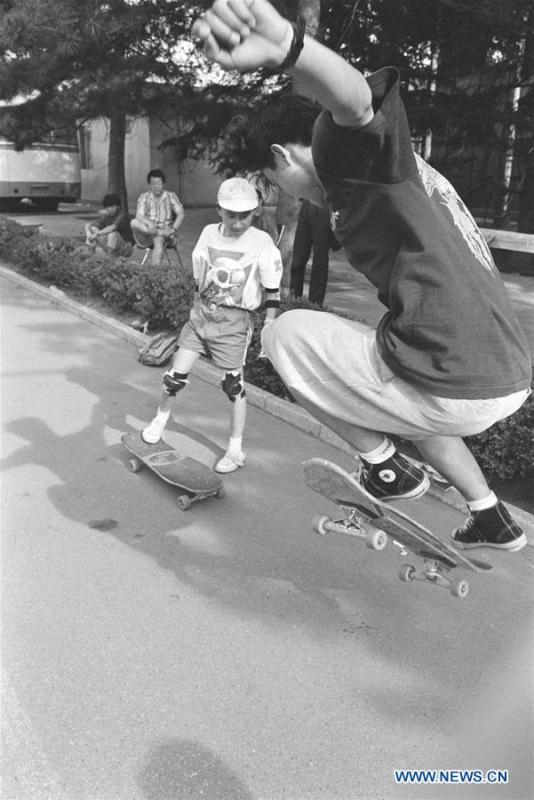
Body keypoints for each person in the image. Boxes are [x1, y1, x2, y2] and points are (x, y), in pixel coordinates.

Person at [192, 0, 532, 549]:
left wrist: (289, 49)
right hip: (500, 373)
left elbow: (353, 101)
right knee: (412, 408)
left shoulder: (345, 158)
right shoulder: (411, 176)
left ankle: (384, 466)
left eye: (272, 181)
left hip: (458, 373)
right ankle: (491, 515)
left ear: (282, 155)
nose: (283, 194)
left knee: (282, 333)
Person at [142, 176, 283, 473]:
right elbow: (199, 276)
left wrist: (269, 325)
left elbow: (272, 290)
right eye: (231, 214)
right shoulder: (208, 233)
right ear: (219, 210)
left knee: (234, 387)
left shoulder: (262, 242)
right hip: (201, 315)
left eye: (244, 215)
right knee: (173, 378)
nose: (238, 222)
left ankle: (235, 450)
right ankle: (159, 421)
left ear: (254, 212)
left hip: (233, 322)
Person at [131, 168, 184, 266]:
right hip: (147, 233)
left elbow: (181, 213)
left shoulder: (170, 196)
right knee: (134, 222)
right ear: (149, 185)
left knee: (158, 240)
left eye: (159, 184)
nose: (156, 187)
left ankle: (154, 272)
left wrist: (173, 229)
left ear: (163, 184)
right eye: (153, 184)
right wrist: (150, 224)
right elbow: (139, 215)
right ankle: (160, 233)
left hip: (166, 234)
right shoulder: (144, 197)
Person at [290, 199, 338, 307]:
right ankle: (293, 298)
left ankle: (315, 303)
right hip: (307, 203)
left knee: (320, 260)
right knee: (298, 257)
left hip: (323, 206)